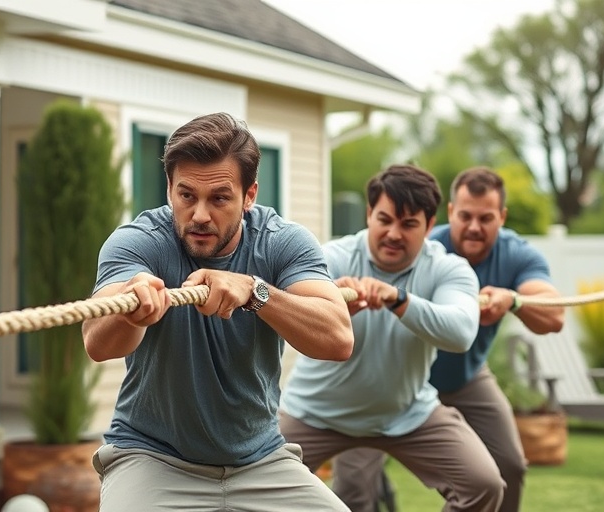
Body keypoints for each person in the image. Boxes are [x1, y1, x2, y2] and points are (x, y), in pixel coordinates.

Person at [81, 112, 355, 511]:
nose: (200, 215)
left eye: (220, 198)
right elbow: (97, 342)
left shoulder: (283, 243)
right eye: (186, 195)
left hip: (260, 461)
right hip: (153, 457)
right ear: (170, 188)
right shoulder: (139, 242)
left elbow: (338, 338)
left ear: (249, 195)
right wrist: (130, 310)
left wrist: (255, 292)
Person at [333, 166, 565, 512]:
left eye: (486, 218)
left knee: (510, 466)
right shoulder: (421, 246)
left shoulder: (515, 254)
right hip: (388, 383)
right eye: (466, 215)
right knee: (353, 489)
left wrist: (513, 300)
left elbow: (554, 314)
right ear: (451, 213)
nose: (474, 226)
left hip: (464, 378)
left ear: (501, 217)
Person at [279, 164, 506, 512]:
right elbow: (286, 308)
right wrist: (332, 306)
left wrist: (398, 299)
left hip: (407, 413)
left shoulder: (449, 268)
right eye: (385, 220)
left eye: (409, 224)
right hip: (314, 414)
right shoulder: (332, 258)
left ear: (430, 226)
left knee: (484, 485)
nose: (394, 234)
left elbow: (461, 333)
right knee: (248, 484)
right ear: (370, 214)